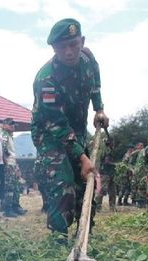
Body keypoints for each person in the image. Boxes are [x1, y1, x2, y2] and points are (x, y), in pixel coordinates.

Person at [32, 18, 109, 235]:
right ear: (53, 48)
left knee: (86, 182)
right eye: (62, 47)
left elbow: (95, 84)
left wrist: (99, 109)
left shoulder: (89, 59)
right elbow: (56, 125)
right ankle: (57, 242)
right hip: (48, 134)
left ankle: (85, 234)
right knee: (64, 182)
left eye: (73, 44)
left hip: (77, 129)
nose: (69, 51)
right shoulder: (46, 79)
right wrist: (82, 157)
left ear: (82, 41)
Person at [0, 118, 27, 217]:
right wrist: (6, 164)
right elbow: (2, 151)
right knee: (9, 187)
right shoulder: (4, 135)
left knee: (16, 185)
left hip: (13, 164)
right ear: (4, 125)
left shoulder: (9, 136)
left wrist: (16, 166)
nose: (13, 126)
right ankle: (8, 209)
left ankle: (15, 206)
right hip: (8, 165)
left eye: (14, 125)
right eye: (11, 124)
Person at [96, 134, 116, 212]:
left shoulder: (107, 149)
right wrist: (115, 164)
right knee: (102, 190)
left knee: (113, 191)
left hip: (110, 173)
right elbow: (106, 162)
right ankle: (97, 207)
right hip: (105, 173)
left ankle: (112, 207)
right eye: (112, 142)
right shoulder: (107, 150)